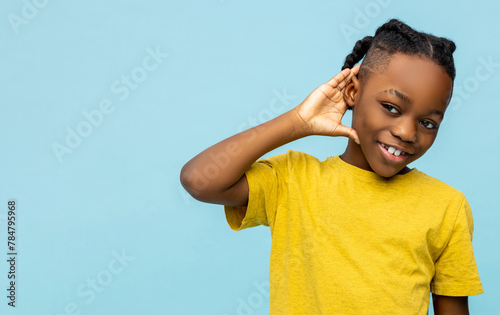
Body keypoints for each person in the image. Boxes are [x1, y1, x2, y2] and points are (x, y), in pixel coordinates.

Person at [180, 18, 483, 314]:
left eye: (428, 122)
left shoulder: (447, 206)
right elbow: (199, 180)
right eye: (391, 108)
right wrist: (298, 122)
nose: (406, 132)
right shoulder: (293, 179)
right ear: (353, 92)